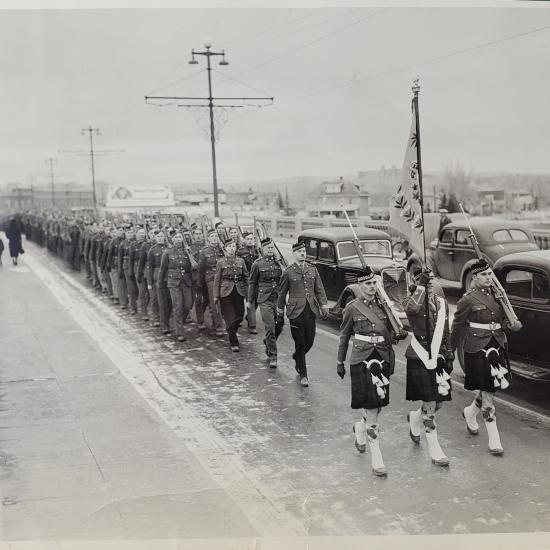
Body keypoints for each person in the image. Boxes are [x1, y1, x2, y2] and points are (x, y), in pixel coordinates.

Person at [336, 267, 407, 476]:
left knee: (378, 405)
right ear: (359, 286)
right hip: (362, 359)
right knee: (372, 408)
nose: (371, 287)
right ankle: (376, 457)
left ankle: (360, 427)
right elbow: (344, 335)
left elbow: (393, 331)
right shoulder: (352, 307)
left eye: (374, 283)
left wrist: (398, 333)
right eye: (367, 284)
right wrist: (340, 361)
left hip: (382, 357)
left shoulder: (384, 306)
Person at [451, 259, 522, 456]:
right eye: (484, 275)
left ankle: (471, 412)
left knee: (491, 387)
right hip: (478, 347)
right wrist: (449, 351)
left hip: (497, 344)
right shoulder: (468, 299)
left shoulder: (498, 295)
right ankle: (494, 438)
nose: (489, 278)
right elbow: (457, 327)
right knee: (489, 392)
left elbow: (502, 321)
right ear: (474, 278)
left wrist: (512, 325)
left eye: (490, 274)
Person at [403, 268, 454, 467]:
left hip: (438, 355)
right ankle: (435, 449)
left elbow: (446, 329)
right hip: (420, 355)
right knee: (431, 403)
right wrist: (421, 286)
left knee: (439, 402)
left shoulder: (441, 303)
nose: (430, 281)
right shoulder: (410, 300)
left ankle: (415, 417)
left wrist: (449, 352)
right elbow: (412, 310)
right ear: (416, 282)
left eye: (431, 278)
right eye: (425, 279)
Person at [277, 241, 329, 387]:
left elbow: (319, 289)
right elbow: (282, 294)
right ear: (294, 254)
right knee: (299, 342)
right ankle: (303, 374)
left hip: (310, 310)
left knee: (310, 340)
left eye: (304, 252)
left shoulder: (312, 270)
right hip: (295, 312)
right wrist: (280, 311)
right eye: (299, 252)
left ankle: (297, 357)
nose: (302, 254)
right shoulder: (288, 272)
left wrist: (324, 305)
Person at [248, 237, 284, 367]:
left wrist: (281, 263)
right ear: (262, 249)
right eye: (268, 248)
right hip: (264, 299)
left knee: (280, 324)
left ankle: (267, 341)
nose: (270, 250)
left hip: (278, 298)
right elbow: (252, 283)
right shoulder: (257, 264)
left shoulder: (279, 262)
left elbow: (286, 276)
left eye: (272, 248)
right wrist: (250, 300)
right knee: (270, 327)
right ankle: (273, 356)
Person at [157, 231, 196, 342]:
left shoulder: (187, 251)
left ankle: (179, 323)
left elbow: (193, 267)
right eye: (176, 237)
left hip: (186, 282)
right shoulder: (168, 252)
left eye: (180, 237)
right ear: (172, 239)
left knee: (188, 305)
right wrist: (159, 283)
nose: (179, 239)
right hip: (173, 282)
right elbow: (162, 269)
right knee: (177, 306)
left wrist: (190, 255)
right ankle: (179, 331)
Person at [213, 240, 249, 351]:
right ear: (225, 248)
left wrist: (249, 293)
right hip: (225, 291)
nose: (232, 248)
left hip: (239, 291)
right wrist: (215, 295)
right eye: (230, 246)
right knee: (229, 316)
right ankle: (234, 342)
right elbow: (217, 280)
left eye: (234, 246)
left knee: (240, 315)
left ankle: (230, 329)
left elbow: (246, 277)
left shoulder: (241, 261)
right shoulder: (221, 262)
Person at [198, 229, 225, 337]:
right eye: (212, 236)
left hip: (223, 278)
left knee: (223, 302)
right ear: (208, 239)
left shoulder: (222, 249)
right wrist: (200, 283)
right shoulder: (204, 251)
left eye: (216, 236)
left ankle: (216, 323)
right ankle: (219, 327)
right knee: (215, 303)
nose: (214, 238)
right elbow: (201, 268)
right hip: (211, 279)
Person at [148, 230, 171, 333]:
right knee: (162, 303)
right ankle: (164, 325)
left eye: (162, 236)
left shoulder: (169, 248)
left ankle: (167, 320)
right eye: (158, 236)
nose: (160, 238)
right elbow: (150, 267)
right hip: (158, 278)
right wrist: (149, 282)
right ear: (155, 238)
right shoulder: (152, 250)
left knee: (170, 303)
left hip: (169, 277)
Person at [237, 232, 260, 335]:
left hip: (258, 280)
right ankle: (252, 325)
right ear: (244, 240)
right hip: (247, 280)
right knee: (250, 300)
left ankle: (249, 317)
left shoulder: (257, 250)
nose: (250, 241)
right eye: (248, 239)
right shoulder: (240, 252)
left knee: (258, 300)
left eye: (252, 239)